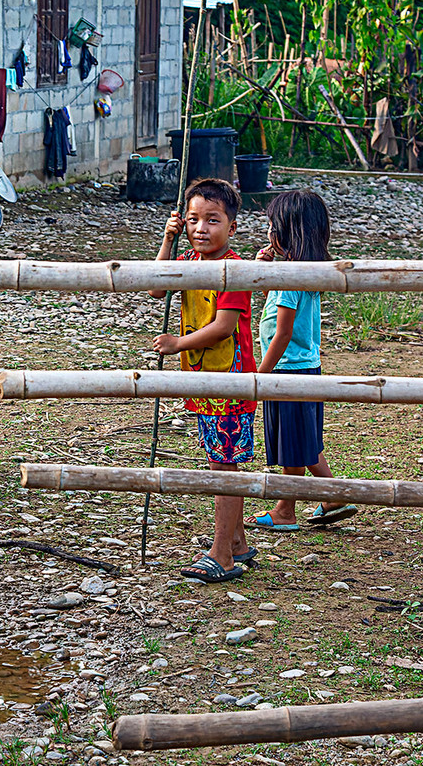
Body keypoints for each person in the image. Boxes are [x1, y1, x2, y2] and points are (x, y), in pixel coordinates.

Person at [149, 177, 257, 583]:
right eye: (193, 219)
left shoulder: (235, 270)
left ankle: (221, 556)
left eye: (212, 220)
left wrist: (178, 343)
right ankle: (237, 543)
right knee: (219, 458)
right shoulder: (189, 263)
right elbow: (157, 288)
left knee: (225, 465)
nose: (200, 229)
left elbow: (225, 327)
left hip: (228, 378)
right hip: (201, 377)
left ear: (232, 227)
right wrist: (167, 240)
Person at [250, 189, 356, 530]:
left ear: (285, 232)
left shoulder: (291, 275)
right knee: (302, 439)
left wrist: (258, 377)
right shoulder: (307, 271)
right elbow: (280, 310)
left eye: (271, 226)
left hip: (286, 369)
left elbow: (281, 333)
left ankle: (286, 509)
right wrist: (266, 276)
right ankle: (332, 495)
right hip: (305, 366)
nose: (267, 233)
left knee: (294, 444)